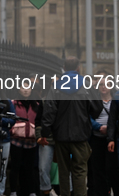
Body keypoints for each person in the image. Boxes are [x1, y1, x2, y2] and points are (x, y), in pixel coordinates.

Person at [41, 57, 103, 196]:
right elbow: (97, 108)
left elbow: (49, 111)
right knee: (80, 170)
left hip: (61, 136)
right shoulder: (86, 85)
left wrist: (45, 133)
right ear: (78, 68)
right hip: (81, 135)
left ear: (64, 67)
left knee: (64, 171)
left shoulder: (56, 86)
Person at [88, 69, 119, 196]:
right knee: (98, 170)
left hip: (113, 139)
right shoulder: (93, 100)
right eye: (101, 84)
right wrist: (99, 127)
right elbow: (87, 117)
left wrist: (111, 128)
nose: (103, 87)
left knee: (113, 169)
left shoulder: (117, 100)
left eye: (106, 84)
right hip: (97, 138)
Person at [9, 81, 41, 196]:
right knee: (15, 167)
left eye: (28, 87)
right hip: (16, 140)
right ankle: (13, 191)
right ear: (19, 89)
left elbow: (39, 121)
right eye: (23, 87)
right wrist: (12, 130)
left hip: (31, 141)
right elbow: (9, 119)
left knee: (30, 168)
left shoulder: (36, 105)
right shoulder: (13, 103)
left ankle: (31, 191)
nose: (26, 90)